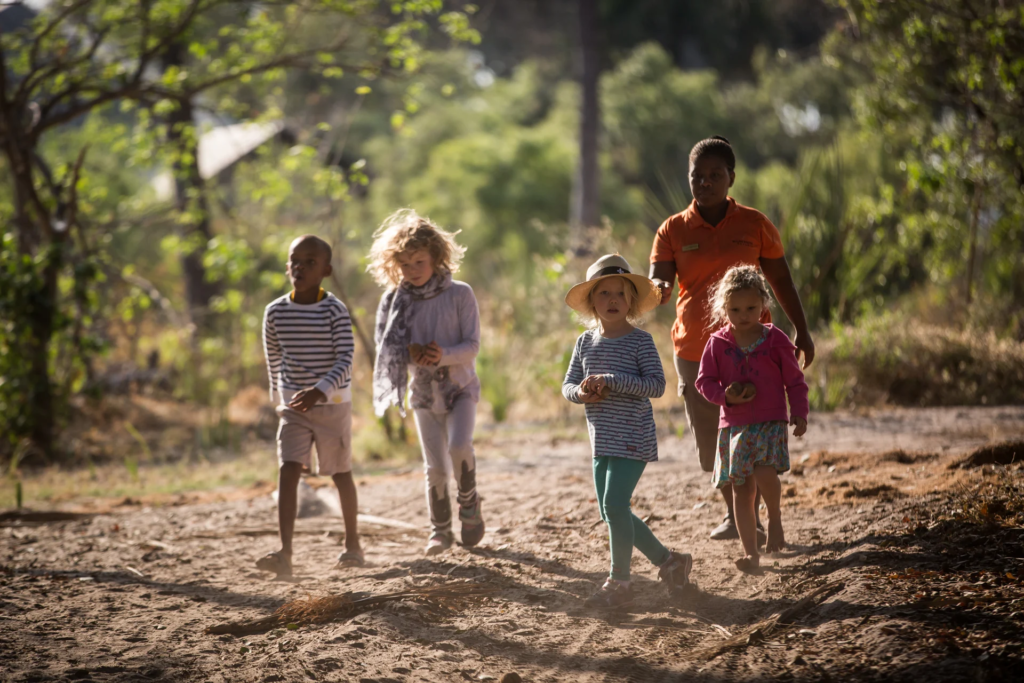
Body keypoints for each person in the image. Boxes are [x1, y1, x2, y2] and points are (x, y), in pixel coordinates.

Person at [648, 135, 815, 542]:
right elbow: (660, 278)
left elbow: (780, 279)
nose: (705, 183)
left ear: (731, 178)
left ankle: (748, 519)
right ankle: (737, 511)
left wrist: (802, 329)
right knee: (712, 443)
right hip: (696, 350)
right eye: (697, 176)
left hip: (753, 345)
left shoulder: (755, 225)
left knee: (753, 431)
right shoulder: (672, 229)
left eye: (714, 175)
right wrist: (653, 289)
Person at [562, 253, 693, 610]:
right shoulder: (584, 343)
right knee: (611, 511)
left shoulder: (640, 342)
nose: (613, 300)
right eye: (603, 293)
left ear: (632, 301)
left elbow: (655, 386)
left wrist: (611, 380)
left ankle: (619, 581)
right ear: (592, 302)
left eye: (620, 293)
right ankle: (670, 563)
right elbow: (568, 385)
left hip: (633, 437)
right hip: (601, 438)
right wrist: (583, 391)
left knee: (615, 505)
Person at [369, 209, 484, 556]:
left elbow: (472, 346)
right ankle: (440, 530)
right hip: (421, 394)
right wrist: (412, 353)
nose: (411, 271)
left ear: (436, 257)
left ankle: (469, 504)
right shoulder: (393, 302)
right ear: (393, 265)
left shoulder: (460, 294)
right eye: (404, 264)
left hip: (460, 388)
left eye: (418, 261)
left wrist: (442, 354)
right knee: (434, 467)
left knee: (460, 447)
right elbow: (385, 351)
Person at [258, 235, 362, 577]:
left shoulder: (333, 309)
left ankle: (352, 546)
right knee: (288, 470)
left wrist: (320, 390)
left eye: (310, 262)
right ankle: (285, 553)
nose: (300, 267)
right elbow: (273, 359)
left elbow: (346, 357)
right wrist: (278, 402)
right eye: (295, 261)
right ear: (288, 266)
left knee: (340, 473)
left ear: (326, 271)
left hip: (332, 405)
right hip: (293, 408)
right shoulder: (275, 312)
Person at [695, 265, 809, 572]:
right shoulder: (717, 343)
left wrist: (799, 411)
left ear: (763, 305)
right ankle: (751, 554)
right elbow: (704, 382)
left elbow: (795, 381)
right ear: (723, 308)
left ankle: (774, 519)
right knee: (740, 488)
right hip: (733, 426)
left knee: (763, 473)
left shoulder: (775, 340)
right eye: (735, 309)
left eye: (751, 308)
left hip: (770, 422)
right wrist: (725, 397)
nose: (743, 314)